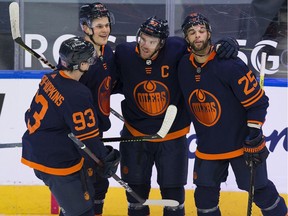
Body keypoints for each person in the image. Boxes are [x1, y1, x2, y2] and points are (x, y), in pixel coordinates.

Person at [113, 16, 239, 216]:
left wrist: (226, 43)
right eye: (143, 38)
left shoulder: (177, 49)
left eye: (152, 41)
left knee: (173, 201)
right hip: (135, 137)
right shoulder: (124, 53)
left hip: (172, 138)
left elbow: (201, 46)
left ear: (162, 43)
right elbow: (105, 80)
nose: (146, 45)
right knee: (136, 200)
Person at [177, 12, 287, 216]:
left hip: (242, 146)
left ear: (209, 33)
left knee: (261, 192)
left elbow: (259, 102)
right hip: (208, 148)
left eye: (201, 31)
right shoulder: (183, 66)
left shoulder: (230, 64)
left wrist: (254, 133)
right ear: (186, 38)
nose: (197, 36)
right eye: (192, 32)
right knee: (204, 201)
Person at [21, 36, 120, 216]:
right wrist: (104, 158)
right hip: (58, 164)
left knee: (74, 207)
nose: (91, 63)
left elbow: (30, 115)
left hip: (38, 153)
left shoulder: (49, 78)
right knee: (83, 212)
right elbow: (88, 137)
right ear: (80, 65)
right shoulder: (78, 93)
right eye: (89, 60)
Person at [77, 3, 116, 215]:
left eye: (107, 25)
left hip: (97, 132)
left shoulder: (106, 52)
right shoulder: (77, 55)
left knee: (100, 185)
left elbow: (111, 82)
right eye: (99, 25)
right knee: (81, 189)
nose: (105, 30)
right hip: (79, 136)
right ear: (85, 28)